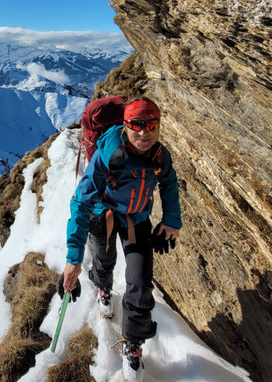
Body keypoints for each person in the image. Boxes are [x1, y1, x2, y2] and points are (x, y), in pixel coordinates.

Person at [59, 97, 181, 380]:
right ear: (125, 126)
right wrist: (73, 259)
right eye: (136, 125)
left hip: (137, 221)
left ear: (159, 126)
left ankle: (134, 343)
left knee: (139, 282)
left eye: (150, 125)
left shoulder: (160, 156)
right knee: (104, 262)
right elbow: (81, 202)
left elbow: (169, 182)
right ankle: (102, 287)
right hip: (104, 217)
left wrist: (171, 220)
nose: (143, 132)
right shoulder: (109, 154)